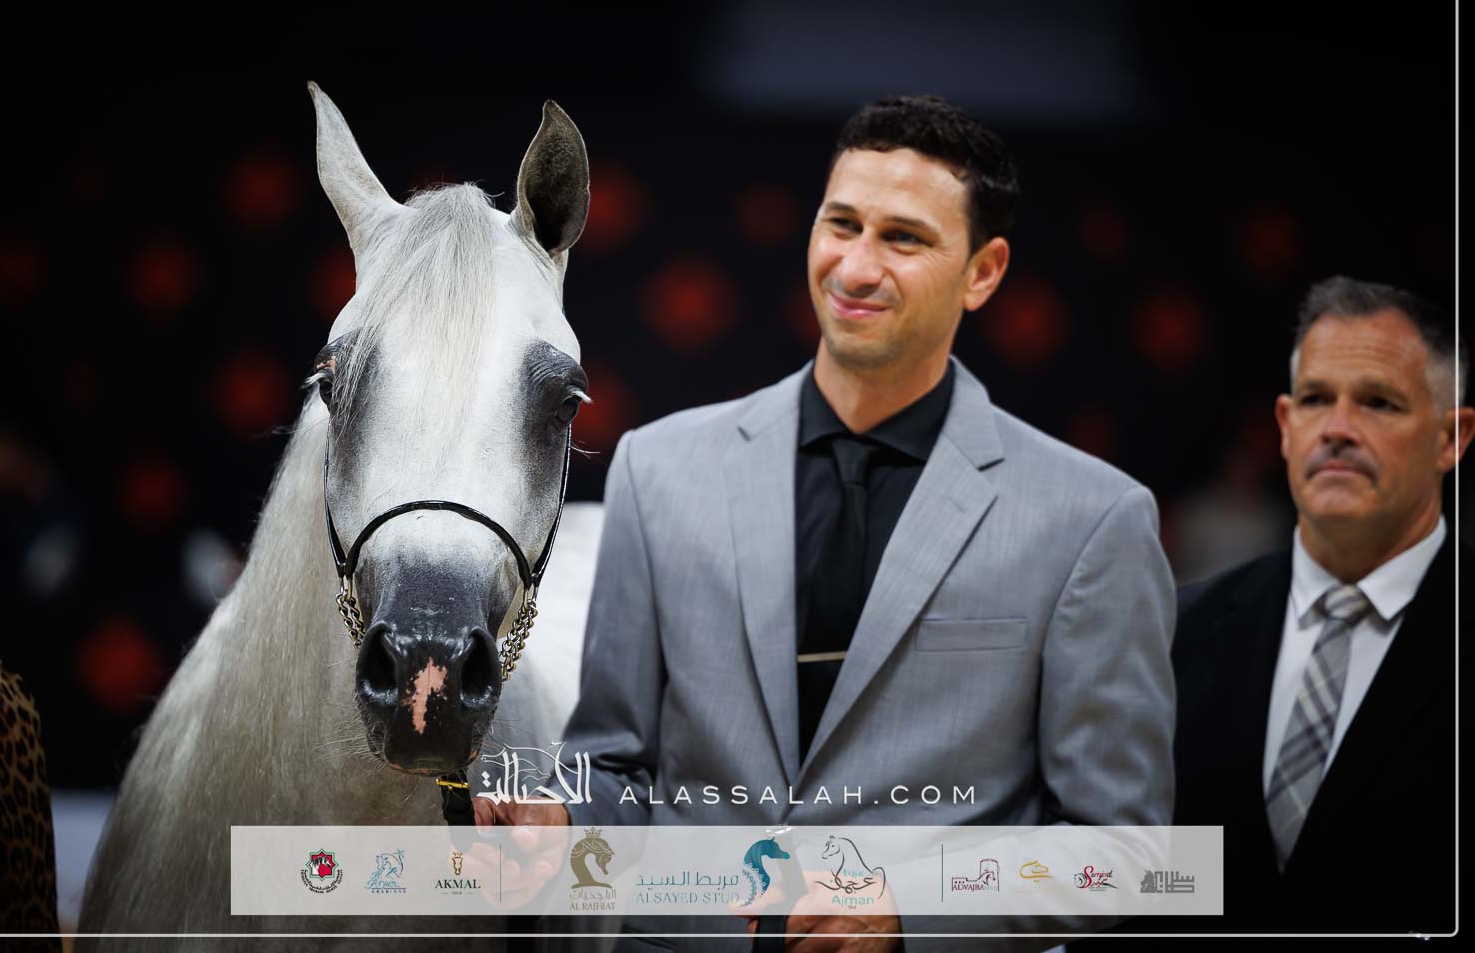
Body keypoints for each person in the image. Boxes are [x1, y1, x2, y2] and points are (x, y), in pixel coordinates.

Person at [483, 95, 1176, 951]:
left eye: (904, 239)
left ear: (984, 271)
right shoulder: (658, 468)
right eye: (841, 224)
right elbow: (615, 768)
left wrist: (915, 907)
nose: (855, 267)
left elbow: (1125, 847)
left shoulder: (1092, 518)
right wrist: (561, 821)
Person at [1170, 277, 1468, 935]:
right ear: (1284, 426)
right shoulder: (1176, 634)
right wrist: (936, 885)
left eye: (1378, 403)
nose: (1337, 430)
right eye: (1315, 400)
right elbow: (1138, 880)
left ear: (1452, 438)